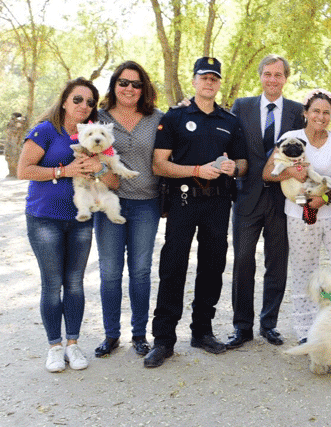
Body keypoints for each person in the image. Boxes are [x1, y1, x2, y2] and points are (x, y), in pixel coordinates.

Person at [144, 57, 247, 368]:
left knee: (212, 266)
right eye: (204, 77)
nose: (209, 82)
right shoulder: (175, 117)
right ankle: (163, 340)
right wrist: (197, 170)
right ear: (194, 81)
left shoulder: (230, 120)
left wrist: (233, 168)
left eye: (214, 78)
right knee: (173, 265)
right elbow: (158, 164)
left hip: (218, 202)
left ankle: (202, 331)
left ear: (218, 84)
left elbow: (242, 165)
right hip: (184, 199)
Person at [262, 88, 331, 352]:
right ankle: (305, 330)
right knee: (303, 270)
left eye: (326, 112)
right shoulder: (292, 138)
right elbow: (268, 174)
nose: (321, 117)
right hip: (300, 215)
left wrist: (325, 199)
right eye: (316, 111)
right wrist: (292, 173)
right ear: (306, 113)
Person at [17, 77, 103, 372]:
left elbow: (107, 169)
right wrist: (63, 170)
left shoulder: (92, 134)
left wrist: (99, 168)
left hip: (80, 219)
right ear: (65, 100)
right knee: (52, 285)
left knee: (76, 284)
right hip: (44, 219)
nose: (84, 105)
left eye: (90, 102)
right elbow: (23, 170)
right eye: (78, 99)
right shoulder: (45, 131)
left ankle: (73, 344)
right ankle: (54, 347)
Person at [226, 54, 305, 349]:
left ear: (286, 78)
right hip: (247, 197)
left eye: (278, 75)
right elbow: (229, 139)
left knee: (277, 263)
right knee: (243, 261)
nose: (273, 79)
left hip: (283, 199)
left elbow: (317, 133)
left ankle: (268, 324)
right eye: (268, 74)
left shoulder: (298, 111)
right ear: (260, 76)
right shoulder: (242, 106)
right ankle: (242, 326)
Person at [92, 61, 165, 358]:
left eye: (136, 84)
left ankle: (139, 334)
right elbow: (85, 151)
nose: (129, 89)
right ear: (114, 85)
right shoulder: (98, 118)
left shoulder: (157, 118)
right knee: (110, 272)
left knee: (140, 271)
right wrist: (99, 174)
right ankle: (111, 335)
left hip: (146, 204)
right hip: (109, 201)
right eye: (123, 83)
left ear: (144, 88)